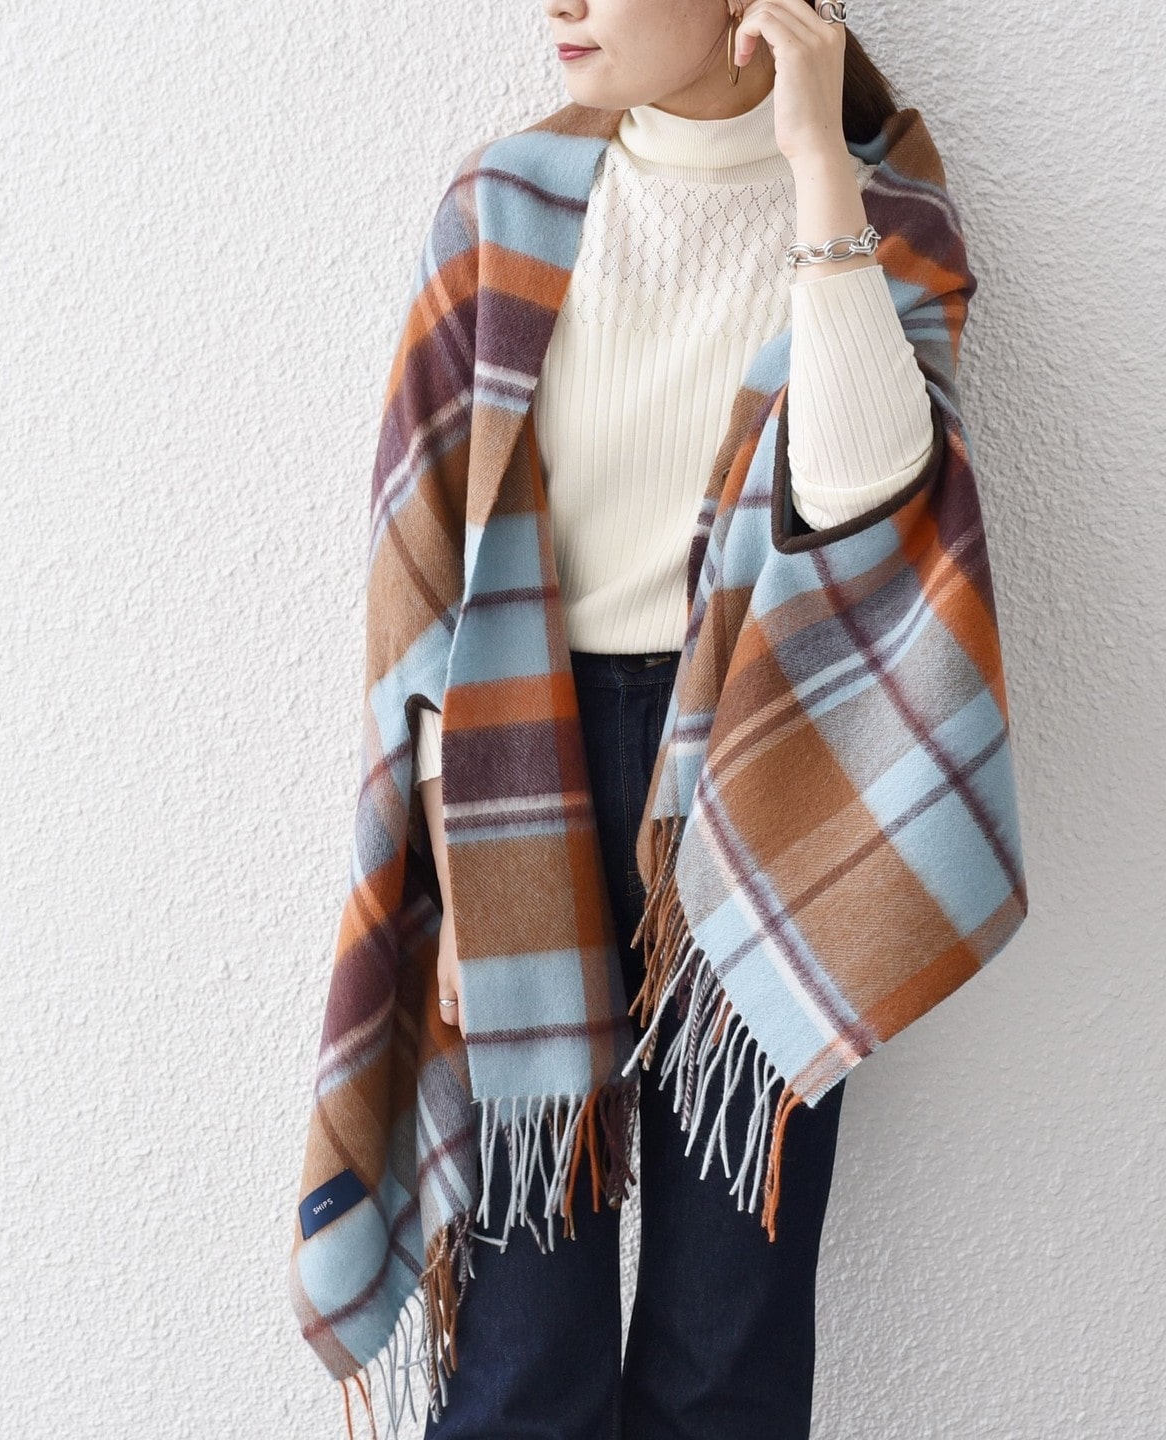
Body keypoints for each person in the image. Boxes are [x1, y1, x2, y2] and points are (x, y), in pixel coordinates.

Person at [408, 2, 930, 1436]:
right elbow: (435, 589)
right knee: (520, 1355)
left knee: (726, 1348)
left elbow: (873, 498)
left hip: (768, 774)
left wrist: (816, 167)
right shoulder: (503, 209)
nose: (558, 5)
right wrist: (455, 875)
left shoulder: (879, 211)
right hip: (532, 766)